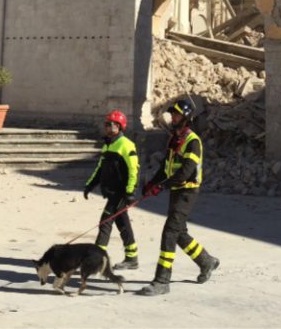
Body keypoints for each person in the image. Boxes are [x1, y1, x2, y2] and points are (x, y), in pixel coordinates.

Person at [137, 98, 220, 296]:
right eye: (172, 114)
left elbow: (186, 172)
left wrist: (162, 187)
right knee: (179, 232)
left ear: (186, 118)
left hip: (187, 191)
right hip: (176, 190)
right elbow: (166, 167)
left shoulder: (193, 142)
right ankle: (206, 261)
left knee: (170, 232)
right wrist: (152, 183)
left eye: (177, 115)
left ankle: (162, 281)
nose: (173, 118)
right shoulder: (174, 139)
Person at [84, 109, 140, 270]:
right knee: (123, 223)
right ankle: (132, 257)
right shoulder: (108, 144)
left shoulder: (126, 145)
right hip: (111, 192)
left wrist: (130, 192)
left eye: (111, 125)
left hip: (121, 193)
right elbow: (100, 168)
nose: (107, 127)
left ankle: (97, 260)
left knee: (105, 223)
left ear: (119, 126)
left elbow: (133, 169)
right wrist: (90, 185)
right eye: (106, 124)